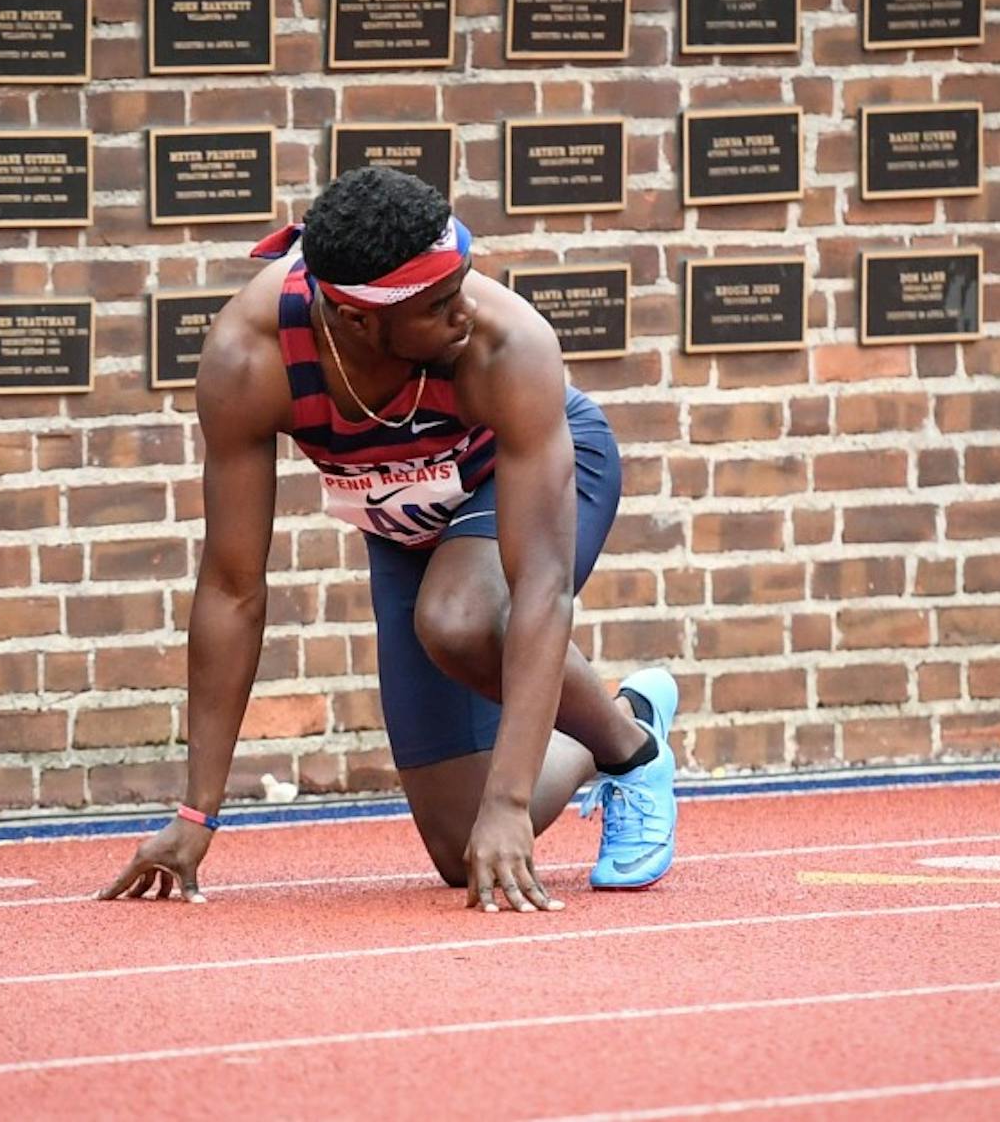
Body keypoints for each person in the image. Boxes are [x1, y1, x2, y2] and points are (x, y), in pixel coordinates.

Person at [99, 166, 678, 914]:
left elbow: (541, 584)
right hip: (406, 521)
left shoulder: (507, 345)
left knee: (462, 618)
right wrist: (196, 812)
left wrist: (507, 801)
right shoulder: (251, 357)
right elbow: (231, 586)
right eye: (439, 304)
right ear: (355, 319)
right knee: (455, 849)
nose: (465, 310)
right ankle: (624, 719)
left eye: (463, 283)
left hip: (516, 476)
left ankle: (635, 759)